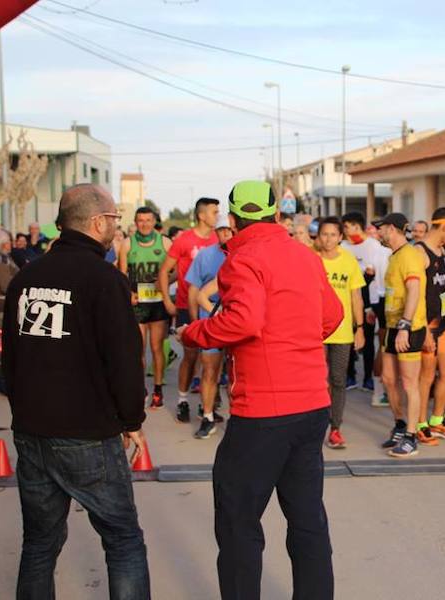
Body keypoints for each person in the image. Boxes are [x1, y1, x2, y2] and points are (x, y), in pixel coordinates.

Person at [179, 180, 340, 600]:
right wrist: (295, 336)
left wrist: (195, 332)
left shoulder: (241, 260)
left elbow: (243, 322)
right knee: (307, 519)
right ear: (275, 214)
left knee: (237, 520)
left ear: (233, 220)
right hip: (311, 405)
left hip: (264, 412)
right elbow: (333, 314)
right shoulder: (304, 256)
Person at [2, 184, 150, 599]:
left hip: (33, 431)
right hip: (87, 434)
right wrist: (132, 421)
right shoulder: (105, 280)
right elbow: (124, 360)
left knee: (39, 545)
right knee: (123, 540)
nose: (116, 230)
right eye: (115, 222)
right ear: (98, 222)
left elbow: (10, 359)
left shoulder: (26, 279)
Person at [158, 197, 219, 422]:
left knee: (211, 361)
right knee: (191, 356)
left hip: (212, 309)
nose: (217, 215)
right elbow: (165, 270)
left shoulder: (217, 238)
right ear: (202, 215)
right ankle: (182, 401)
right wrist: (167, 301)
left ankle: (208, 407)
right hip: (186, 305)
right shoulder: (184, 240)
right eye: (214, 212)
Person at [374, 213, 426, 458]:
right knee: (387, 378)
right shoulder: (394, 256)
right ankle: (400, 424)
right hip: (392, 326)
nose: (377, 232)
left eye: (380, 228)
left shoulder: (410, 256)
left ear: (392, 229)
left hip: (410, 327)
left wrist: (405, 325)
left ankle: (412, 436)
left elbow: (414, 290)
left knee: (409, 382)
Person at [316, 217, 366, 449]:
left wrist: (360, 328)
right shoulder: (311, 258)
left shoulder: (349, 261)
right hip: (314, 331)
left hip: (343, 331)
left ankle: (335, 428)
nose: (328, 239)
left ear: (340, 237)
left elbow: (356, 296)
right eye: (324, 234)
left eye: (333, 235)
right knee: (316, 381)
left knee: (337, 380)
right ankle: (314, 427)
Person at [416, 207, 445, 444]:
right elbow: (414, 295)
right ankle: (420, 423)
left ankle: (437, 421)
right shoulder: (420, 252)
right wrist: (423, 329)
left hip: (444, 321)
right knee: (426, 376)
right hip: (427, 325)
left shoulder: (442, 251)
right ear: (444, 227)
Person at [120, 206, 173, 409]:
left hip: (158, 302)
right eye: (140, 220)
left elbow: (177, 269)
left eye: (148, 220)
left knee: (156, 347)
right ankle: (140, 388)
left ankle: (158, 389)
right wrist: (128, 293)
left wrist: (165, 282)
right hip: (138, 302)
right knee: (138, 349)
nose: (144, 224)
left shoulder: (165, 242)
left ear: (154, 222)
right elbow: (123, 273)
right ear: (135, 222)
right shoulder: (127, 244)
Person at [184, 221, 228, 439]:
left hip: (240, 317)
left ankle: (240, 420)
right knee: (209, 369)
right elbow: (195, 290)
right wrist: (197, 321)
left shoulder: (244, 254)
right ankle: (208, 417)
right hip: (211, 318)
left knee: (238, 372)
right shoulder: (205, 255)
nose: (225, 234)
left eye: (229, 229)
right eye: (221, 230)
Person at [341, 211, 392, 403]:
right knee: (348, 338)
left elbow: (375, 274)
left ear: (357, 227)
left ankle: (369, 377)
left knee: (369, 339)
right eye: (344, 227)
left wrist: (370, 305)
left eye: (348, 226)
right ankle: (350, 374)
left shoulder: (373, 246)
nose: (345, 231)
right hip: (347, 299)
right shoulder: (343, 247)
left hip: (369, 300)